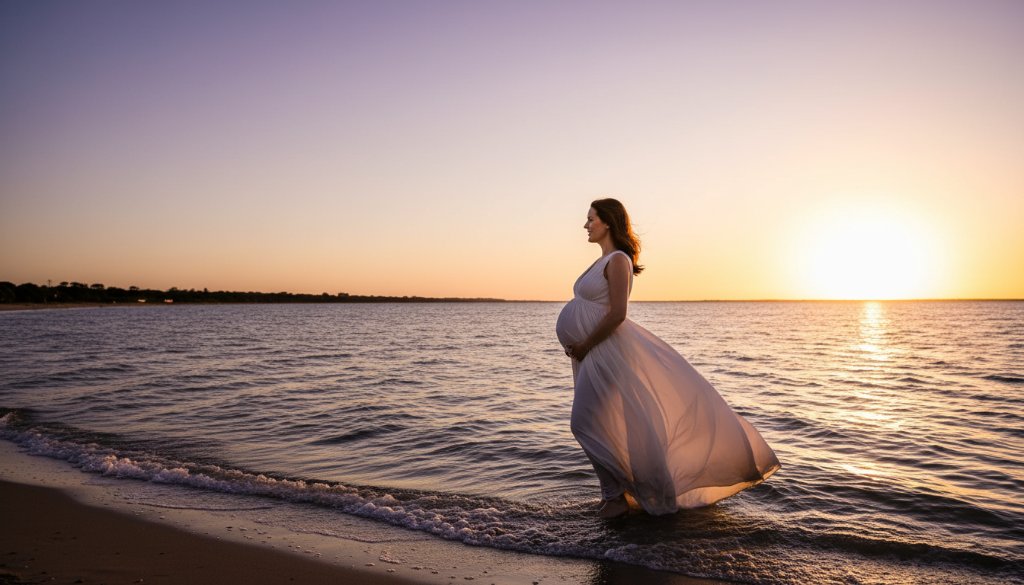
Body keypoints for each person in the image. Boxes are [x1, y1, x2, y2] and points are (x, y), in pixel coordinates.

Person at [555, 198, 780, 518]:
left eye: (591, 219)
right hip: (589, 355)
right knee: (601, 423)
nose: (585, 225)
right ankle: (614, 496)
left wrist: (586, 344)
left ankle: (616, 497)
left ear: (608, 222)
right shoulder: (600, 261)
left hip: (603, 352)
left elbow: (618, 313)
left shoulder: (618, 260)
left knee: (583, 423)